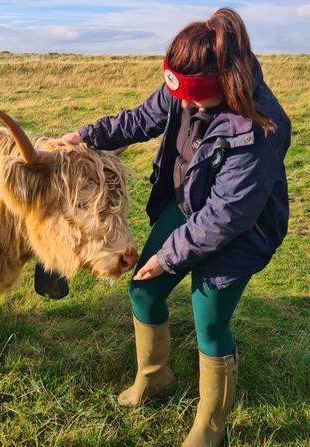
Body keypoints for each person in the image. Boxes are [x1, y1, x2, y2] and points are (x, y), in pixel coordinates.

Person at [58, 7, 291, 447]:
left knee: (209, 322)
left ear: (225, 84)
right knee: (142, 290)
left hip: (242, 230)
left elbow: (227, 216)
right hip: (186, 205)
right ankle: (155, 378)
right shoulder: (185, 88)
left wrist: (167, 257)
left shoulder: (261, 127)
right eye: (177, 93)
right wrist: (85, 137)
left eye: (192, 97)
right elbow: (139, 119)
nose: (181, 105)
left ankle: (210, 429)